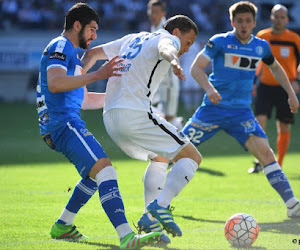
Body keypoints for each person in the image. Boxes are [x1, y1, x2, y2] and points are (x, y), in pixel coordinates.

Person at [36, 3, 161, 248]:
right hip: (63, 125)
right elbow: (54, 83)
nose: (94, 36)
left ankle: (63, 224)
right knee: (106, 170)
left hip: (62, 124)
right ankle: (127, 236)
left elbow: (83, 99)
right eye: (92, 29)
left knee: (93, 176)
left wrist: (124, 99)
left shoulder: (70, 54)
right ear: (76, 25)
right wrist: (98, 75)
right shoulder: (61, 45)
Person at [81, 15, 201, 243]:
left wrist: (77, 81)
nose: (186, 49)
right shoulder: (169, 39)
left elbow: (91, 54)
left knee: (160, 158)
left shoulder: (133, 38)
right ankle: (162, 205)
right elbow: (167, 48)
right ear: (177, 33)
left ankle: (149, 221)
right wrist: (174, 61)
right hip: (135, 115)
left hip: (110, 117)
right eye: (187, 42)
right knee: (192, 156)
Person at [182, 1, 300, 218]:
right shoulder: (219, 42)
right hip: (212, 110)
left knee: (266, 153)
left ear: (254, 22)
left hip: (241, 113)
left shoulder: (261, 46)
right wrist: (209, 89)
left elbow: (276, 68)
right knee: (177, 150)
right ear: (232, 22)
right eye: (239, 21)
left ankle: (292, 204)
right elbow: (196, 68)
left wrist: (291, 94)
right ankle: (157, 202)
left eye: (247, 21)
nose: (243, 25)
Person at [248, 4, 300, 173]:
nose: (278, 20)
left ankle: (279, 163)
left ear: (287, 19)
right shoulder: (263, 37)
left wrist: (297, 80)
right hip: (265, 86)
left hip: (285, 88)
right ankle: (260, 160)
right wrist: (252, 81)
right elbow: (255, 61)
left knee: (283, 127)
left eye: (281, 17)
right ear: (270, 17)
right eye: (275, 16)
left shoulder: (294, 39)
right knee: (259, 122)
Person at [147, 0, 183, 129]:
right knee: (156, 115)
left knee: (169, 119)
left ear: (163, 14)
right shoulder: (153, 30)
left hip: (168, 82)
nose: (153, 14)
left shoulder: (166, 30)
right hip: (157, 83)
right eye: (151, 11)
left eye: (156, 12)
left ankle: (185, 133)